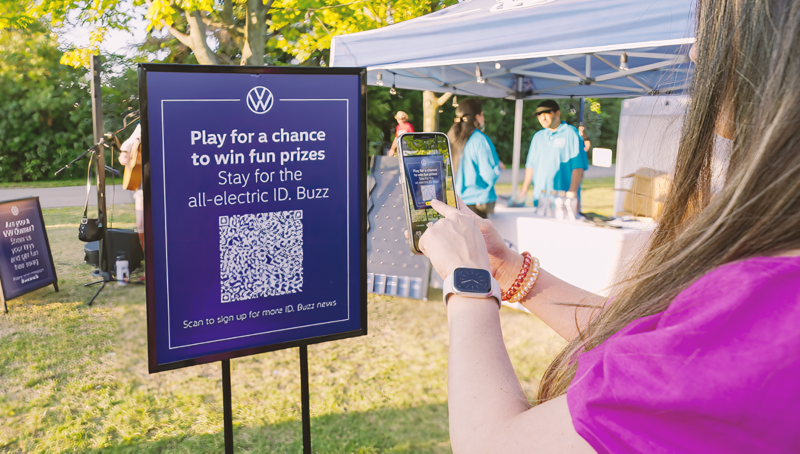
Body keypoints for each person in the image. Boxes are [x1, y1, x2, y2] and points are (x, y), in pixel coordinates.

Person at [415, 0, 800, 451]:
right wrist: (508, 270)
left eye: (717, 22)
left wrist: (468, 284)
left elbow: (491, 445)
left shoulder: (767, 305)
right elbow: (653, 347)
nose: (697, 52)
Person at [516, 100, 588, 207]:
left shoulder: (571, 133)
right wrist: (523, 191)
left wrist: (572, 193)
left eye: (546, 113)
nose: (543, 118)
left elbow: (578, 166)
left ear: (557, 113)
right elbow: (531, 166)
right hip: (540, 198)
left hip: (563, 199)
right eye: (539, 115)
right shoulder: (538, 137)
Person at [447, 98, 501, 219]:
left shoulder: (451, 139)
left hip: (456, 203)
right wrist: (498, 168)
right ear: (477, 116)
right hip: (478, 204)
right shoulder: (480, 140)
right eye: (482, 114)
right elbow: (489, 175)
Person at [118, 124, 145, 280]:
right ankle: (150, 265)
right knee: (141, 225)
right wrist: (124, 153)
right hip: (142, 183)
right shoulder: (143, 122)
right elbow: (131, 140)